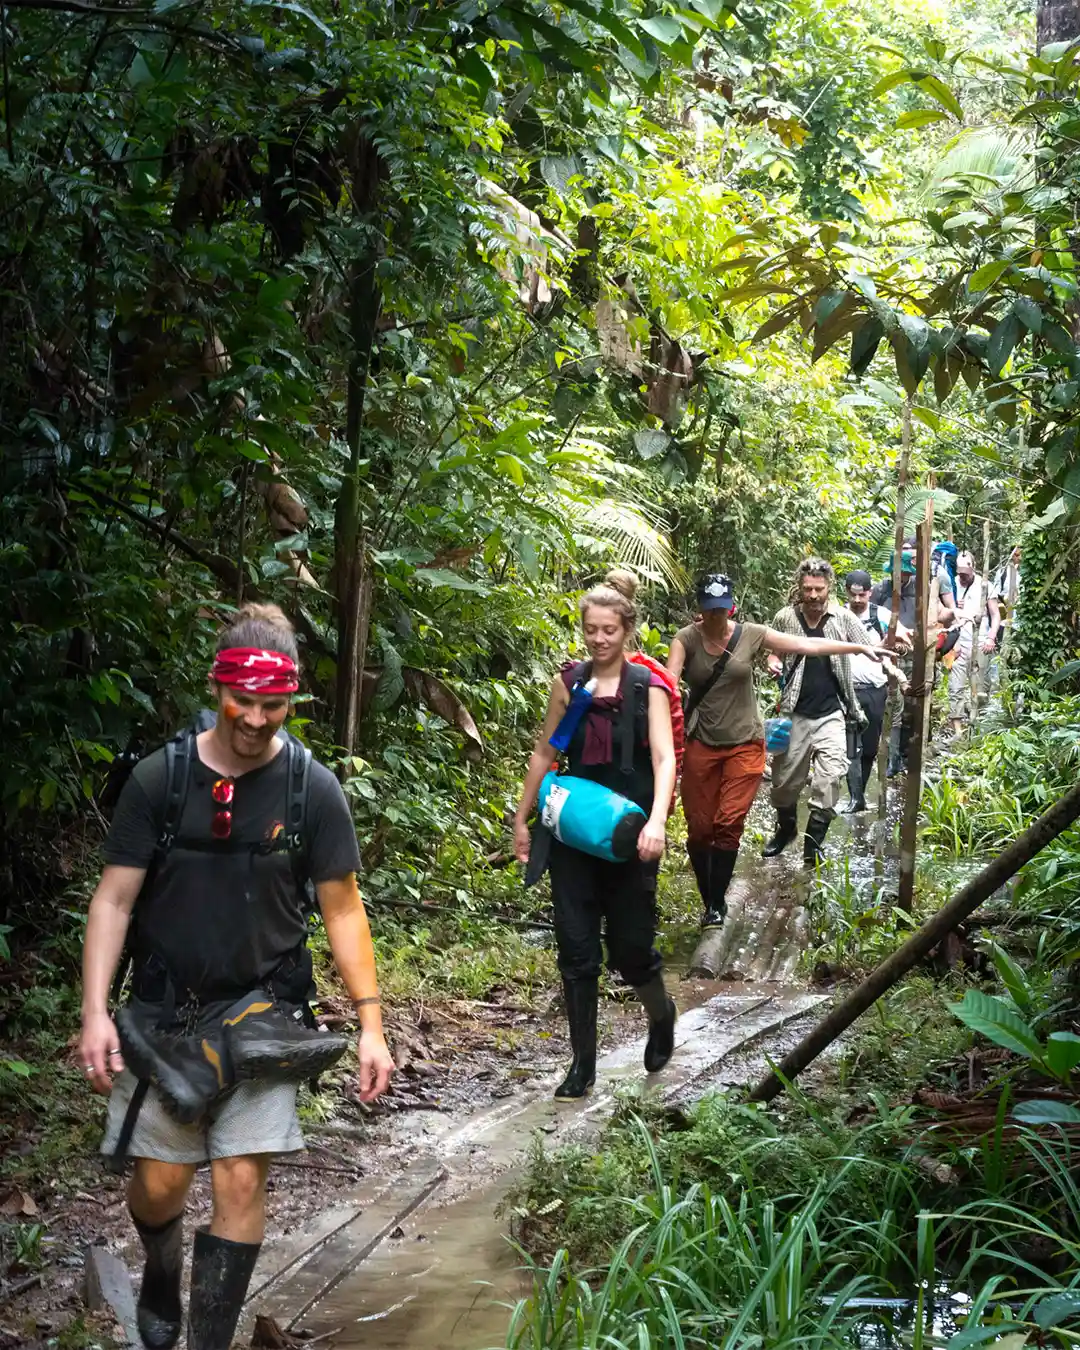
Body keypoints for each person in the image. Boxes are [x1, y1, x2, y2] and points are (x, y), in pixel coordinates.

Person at [79, 604, 395, 1350]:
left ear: (292, 700)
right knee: (159, 1186)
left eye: (273, 703)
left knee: (240, 1179)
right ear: (217, 687)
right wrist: (95, 1011)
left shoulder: (311, 791)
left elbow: (343, 910)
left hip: (262, 1016)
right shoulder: (162, 778)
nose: (255, 718)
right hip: (162, 1017)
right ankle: (160, 1260)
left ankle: (207, 1342)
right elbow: (114, 899)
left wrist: (371, 1024)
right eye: (241, 700)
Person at [512, 570, 677, 1101]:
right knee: (577, 951)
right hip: (572, 837)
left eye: (609, 630)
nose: (600, 639)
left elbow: (663, 756)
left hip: (630, 838)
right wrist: (520, 817)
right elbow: (545, 753)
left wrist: (658, 822)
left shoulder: (646, 686)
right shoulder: (570, 685)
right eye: (591, 630)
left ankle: (662, 1013)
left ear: (627, 629)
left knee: (631, 951)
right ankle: (582, 1064)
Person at [762, 558, 884, 864]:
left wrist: (891, 650)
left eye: (819, 589)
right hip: (793, 712)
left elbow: (867, 645)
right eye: (808, 589)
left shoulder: (842, 618)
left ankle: (811, 846)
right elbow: (772, 653)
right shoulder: (785, 618)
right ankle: (786, 829)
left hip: (832, 712)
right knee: (784, 783)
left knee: (830, 779)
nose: (814, 595)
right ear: (800, 588)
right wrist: (774, 663)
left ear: (829, 587)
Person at [872, 541, 955, 774]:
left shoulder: (924, 589)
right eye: (898, 572)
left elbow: (940, 614)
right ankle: (890, 756)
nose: (902, 576)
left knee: (914, 703)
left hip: (916, 653)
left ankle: (911, 754)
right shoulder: (881, 590)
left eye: (906, 572)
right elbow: (872, 617)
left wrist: (953, 615)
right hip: (889, 654)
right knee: (891, 704)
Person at [841, 571, 910, 813]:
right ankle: (855, 798)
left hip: (875, 690)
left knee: (869, 748)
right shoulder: (839, 616)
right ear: (847, 591)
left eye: (862, 594)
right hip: (847, 690)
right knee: (852, 747)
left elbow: (905, 642)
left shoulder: (881, 615)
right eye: (853, 594)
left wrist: (896, 646)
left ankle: (859, 793)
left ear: (870, 592)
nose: (858, 599)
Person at [948, 550, 1001, 734]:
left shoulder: (984, 585)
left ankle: (978, 727)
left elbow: (995, 615)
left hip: (980, 642)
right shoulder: (951, 584)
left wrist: (991, 638)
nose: (962, 577)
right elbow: (943, 614)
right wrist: (954, 607)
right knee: (956, 687)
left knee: (980, 688)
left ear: (973, 568)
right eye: (960, 573)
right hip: (958, 644)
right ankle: (958, 732)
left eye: (965, 574)